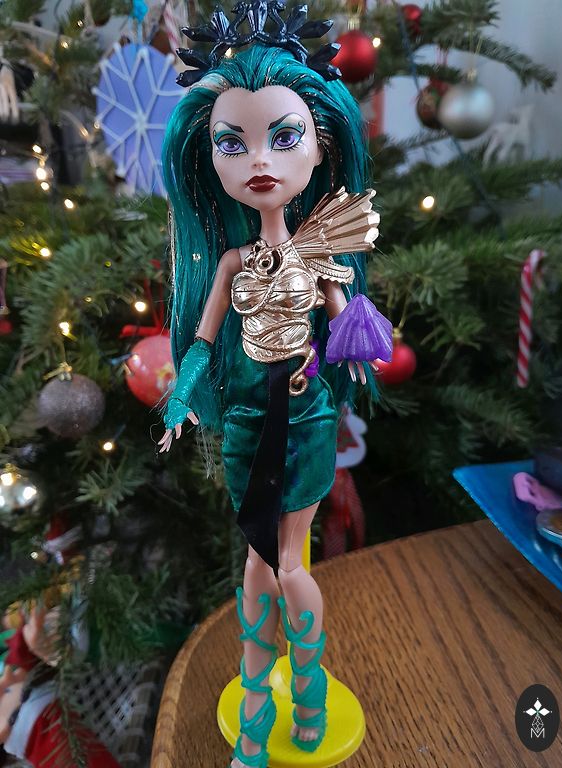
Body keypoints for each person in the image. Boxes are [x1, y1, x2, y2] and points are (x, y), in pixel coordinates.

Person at [156, 4, 392, 766]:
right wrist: (184, 395)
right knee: (256, 563)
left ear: (321, 146)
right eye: (234, 143)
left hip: (305, 416)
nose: (259, 160)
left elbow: (351, 326)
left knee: (289, 563)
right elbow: (201, 340)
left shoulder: (319, 253)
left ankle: (307, 691)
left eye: (283, 138)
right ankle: (258, 709)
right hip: (248, 421)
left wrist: (358, 341)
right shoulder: (230, 262)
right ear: (210, 156)